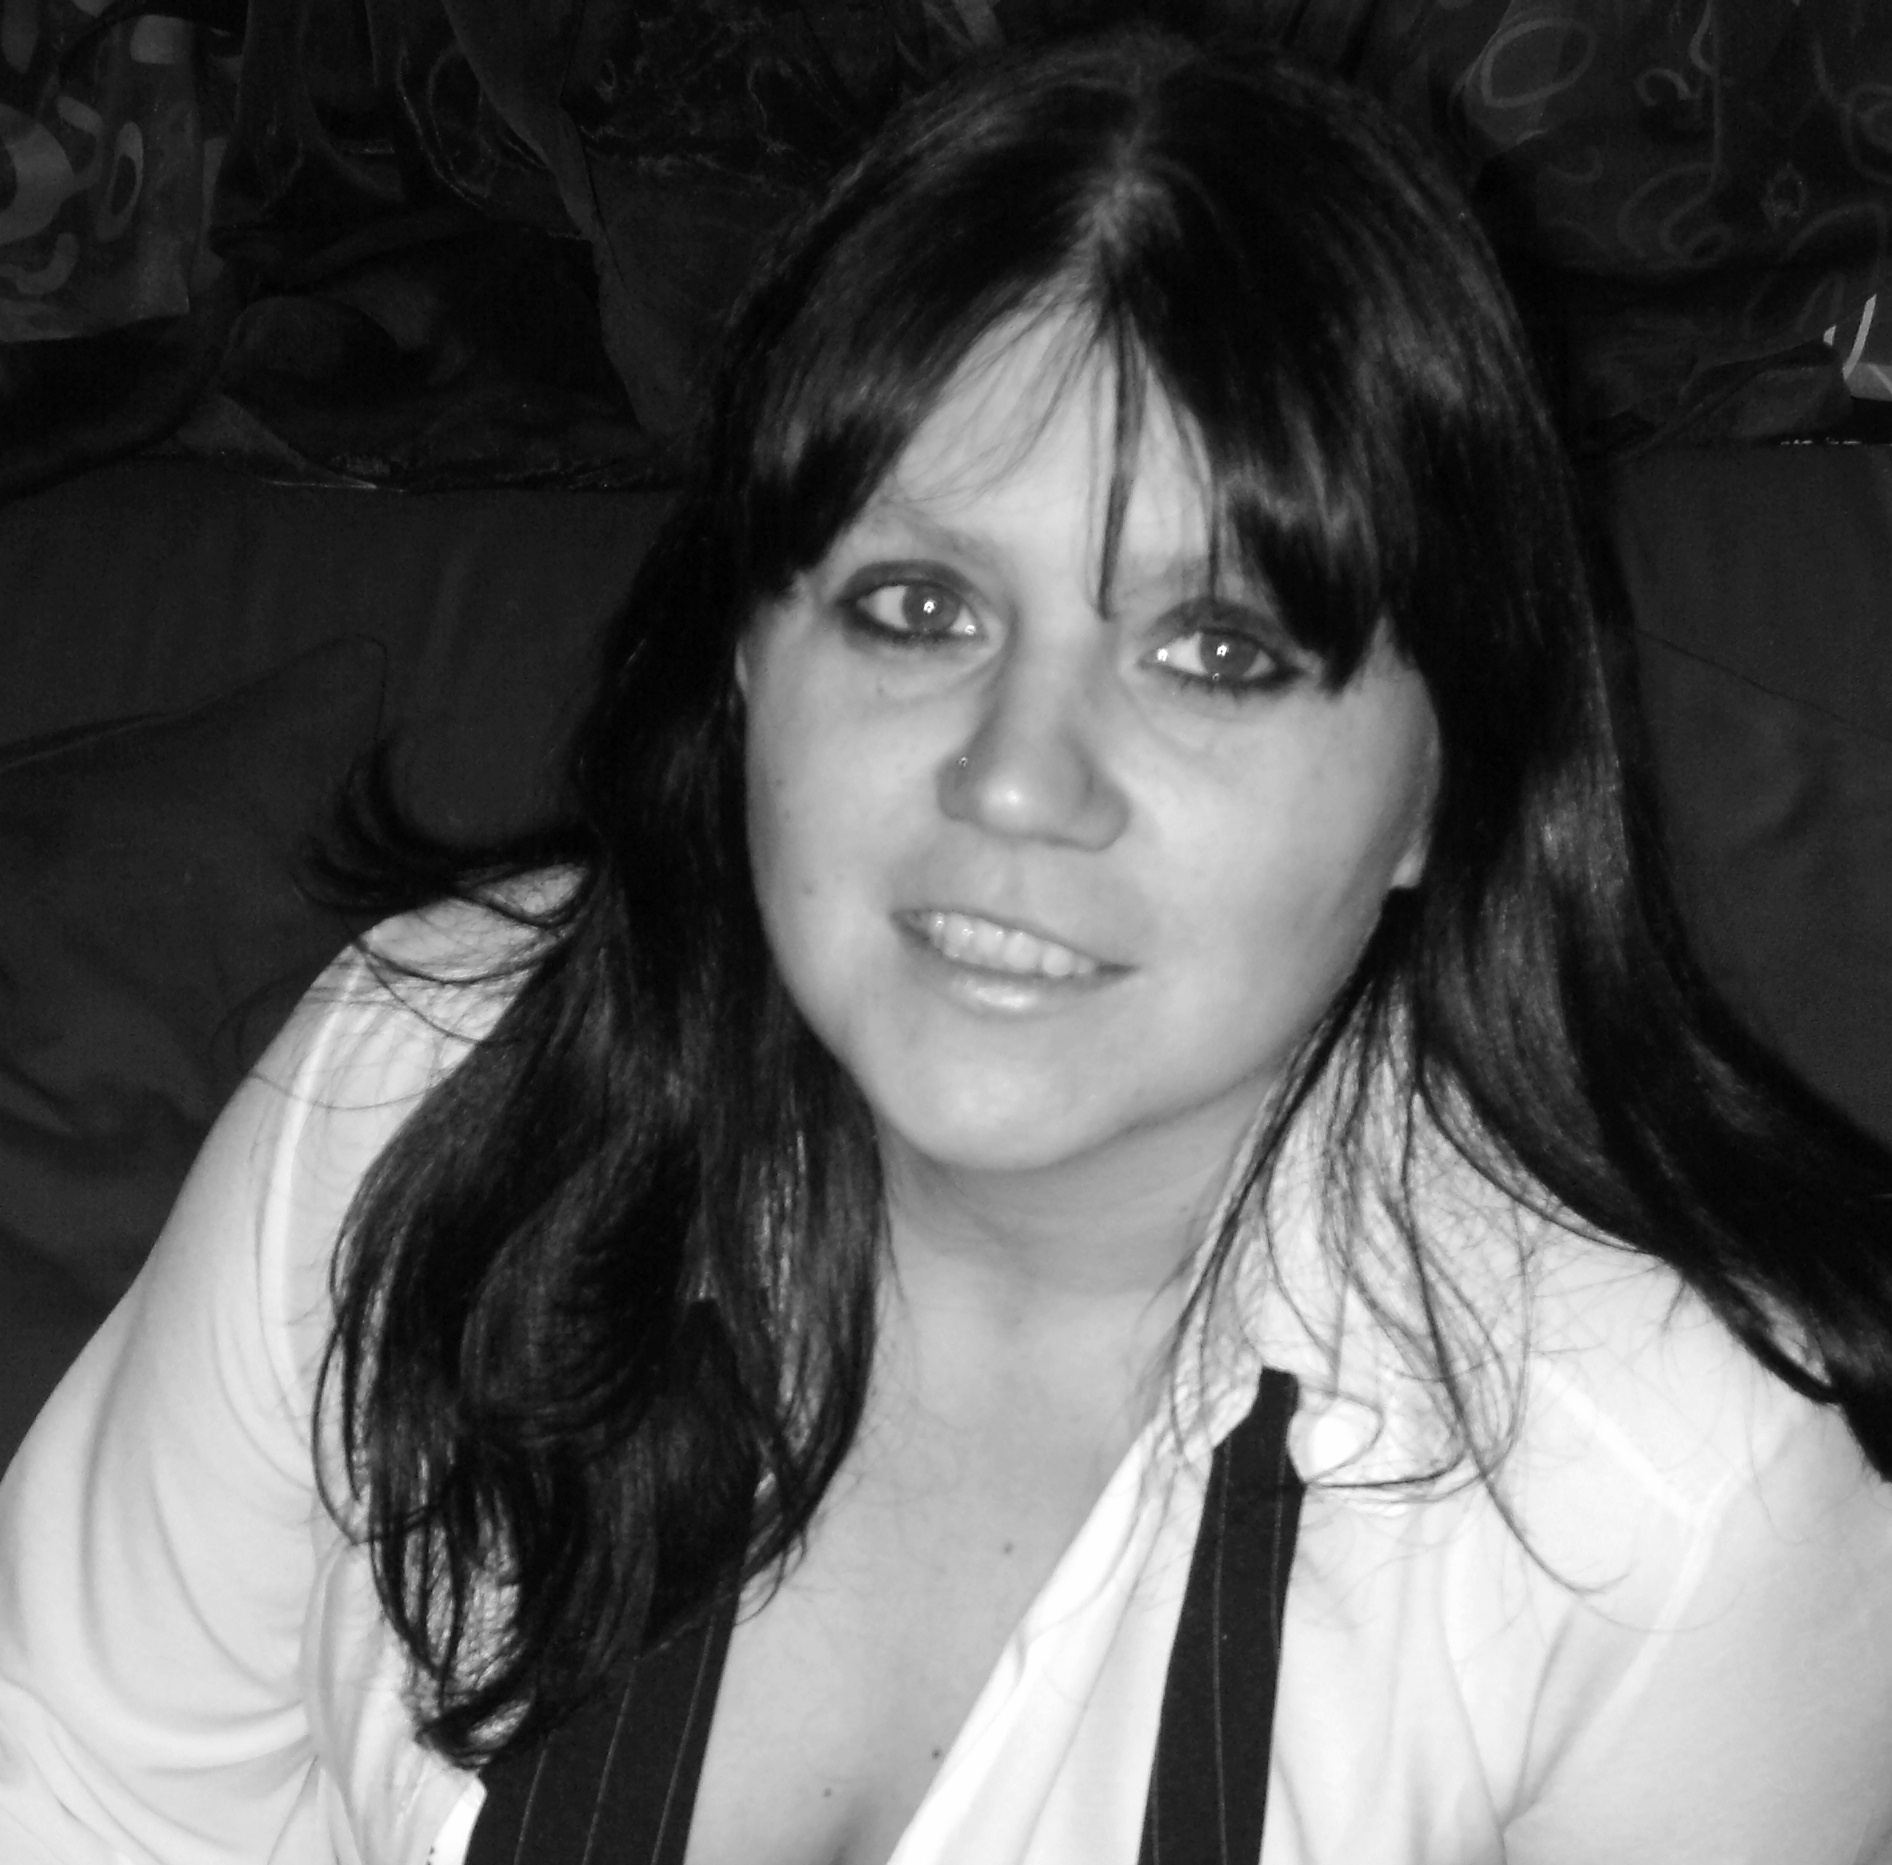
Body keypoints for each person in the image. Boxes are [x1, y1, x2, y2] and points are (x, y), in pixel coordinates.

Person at [4, 25, 1892, 1865]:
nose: (1016, 777)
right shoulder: (407, 1089)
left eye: (1214, 651)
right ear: (750, 658)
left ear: (1439, 785)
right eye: (918, 608)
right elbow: (78, 1792)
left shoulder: (1678, 1499)